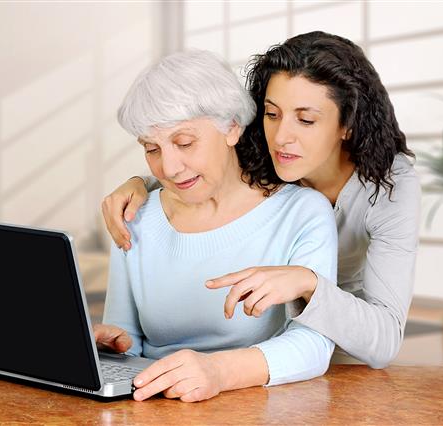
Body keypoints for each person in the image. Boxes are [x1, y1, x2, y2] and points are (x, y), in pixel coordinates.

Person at [101, 31, 421, 369]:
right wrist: (140, 183)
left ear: (348, 124)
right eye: (272, 114)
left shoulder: (388, 187)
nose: (281, 137)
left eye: (306, 119)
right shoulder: (267, 149)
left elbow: (383, 338)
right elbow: (197, 164)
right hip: (266, 351)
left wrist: (307, 282)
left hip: (342, 348)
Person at [95, 49, 339, 403]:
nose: (170, 168)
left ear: (232, 127)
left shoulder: (301, 213)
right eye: (152, 149)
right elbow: (127, 339)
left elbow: (315, 344)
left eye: (184, 142)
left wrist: (217, 372)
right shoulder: (135, 217)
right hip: (153, 407)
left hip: (254, 407)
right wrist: (106, 347)